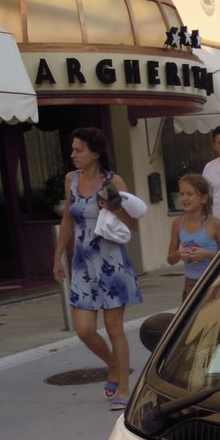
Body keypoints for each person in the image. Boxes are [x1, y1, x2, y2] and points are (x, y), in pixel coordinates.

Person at [52, 127, 142, 411]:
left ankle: (124, 389)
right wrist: (57, 258)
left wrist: (114, 207)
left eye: (79, 149)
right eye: (73, 149)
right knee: (84, 329)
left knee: (114, 328)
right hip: (82, 263)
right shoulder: (71, 179)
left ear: (95, 152)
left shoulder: (113, 180)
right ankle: (115, 365)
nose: (73, 155)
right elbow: (68, 219)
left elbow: (134, 224)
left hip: (112, 262)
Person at [166, 173, 220, 298]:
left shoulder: (214, 224)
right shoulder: (177, 224)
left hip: (212, 282)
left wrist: (206, 254)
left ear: (203, 198)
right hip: (190, 283)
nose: (184, 198)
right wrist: (178, 254)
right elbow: (170, 259)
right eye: (181, 194)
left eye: (190, 194)